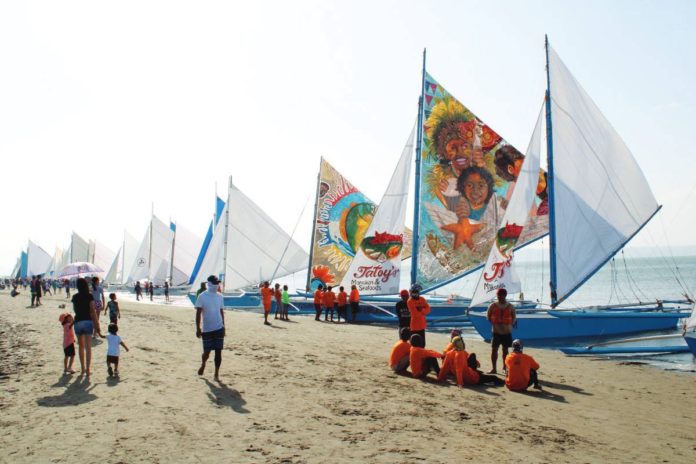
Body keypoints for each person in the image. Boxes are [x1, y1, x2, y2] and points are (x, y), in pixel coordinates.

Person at [195, 275, 225, 381]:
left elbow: (221, 311)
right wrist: (198, 328)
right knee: (207, 352)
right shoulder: (202, 296)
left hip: (219, 327)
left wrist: (224, 325)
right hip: (207, 329)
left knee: (218, 351)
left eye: (218, 282)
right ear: (209, 283)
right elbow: (198, 313)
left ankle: (216, 374)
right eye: (215, 282)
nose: (217, 284)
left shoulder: (220, 296)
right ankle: (203, 363)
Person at [72, 277, 104, 377]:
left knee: (81, 347)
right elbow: (93, 311)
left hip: (78, 321)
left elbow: (75, 310)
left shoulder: (75, 297)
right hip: (87, 322)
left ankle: (82, 369)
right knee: (88, 347)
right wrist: (97, 325)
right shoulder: (89, 296)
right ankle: (88, 369)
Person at [487, 288, 516, 374]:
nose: (500, 297)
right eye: (498, 296)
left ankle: (504, 368)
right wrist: (496, 325)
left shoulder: (511, 306)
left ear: (505, 296)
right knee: (494, 350)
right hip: (496, 332)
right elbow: (488, 317)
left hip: (507, 333)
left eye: (501, 296)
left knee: (505, 350)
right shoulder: (492, 306)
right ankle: (494, 368)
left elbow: (514, 318)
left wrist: (508, 325)